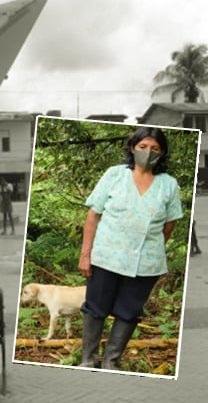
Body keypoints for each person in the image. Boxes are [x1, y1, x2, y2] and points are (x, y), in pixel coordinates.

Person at [78, 127, 183, 371]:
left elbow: (169, 226)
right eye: (143, 146)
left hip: (145, 263)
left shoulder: (169, 185)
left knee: (129, 311)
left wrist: (151, 249)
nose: (148, 152)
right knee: (95, 308)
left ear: (162, 152)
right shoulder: (115, 175)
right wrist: (86, 254)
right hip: (106, 257)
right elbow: (93, 215)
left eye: (155, 148)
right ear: (132, 148)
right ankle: (88, 359)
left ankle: (111, 361)